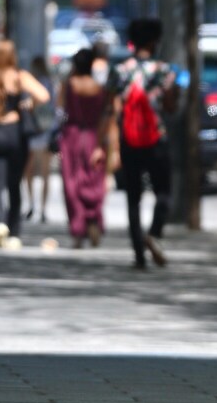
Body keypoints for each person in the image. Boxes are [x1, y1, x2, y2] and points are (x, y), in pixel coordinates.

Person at [112, 18, 177, 269]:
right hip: (157, 140)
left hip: (129, 140)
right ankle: (154, 233)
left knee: (133, 198)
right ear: (154, 40)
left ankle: (139, 255)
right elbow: (171, 107)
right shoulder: (164, 71)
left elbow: (113, 107)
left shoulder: (120, 71)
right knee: (164, 193)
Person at [0, 38, 50, 248]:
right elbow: (44, 95)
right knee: (14, 185)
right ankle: (14, 232)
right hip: (15, 134)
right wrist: (29, 103)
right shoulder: (19, 77)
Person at [59, 48, 115, 248]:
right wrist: (101, 144)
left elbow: (61, 109)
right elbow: (106, 117)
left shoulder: (69, 86)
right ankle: (92, 219)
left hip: (71, 137)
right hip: (93, 136)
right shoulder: (101, 89)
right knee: (92, 180)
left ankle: (78, 227)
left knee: (71, 182)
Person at [22, 55, 56, 224]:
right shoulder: (50, 83)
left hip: (34, 130)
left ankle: (31, 205)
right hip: (46, 130)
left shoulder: (35, 83)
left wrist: (26, 104)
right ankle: (42, 208)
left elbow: (35, 103)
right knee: (45, 173)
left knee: (28, 171)